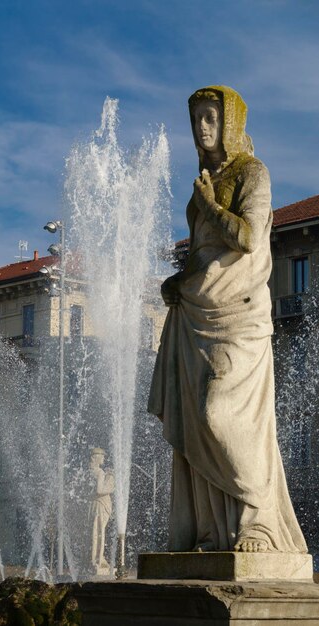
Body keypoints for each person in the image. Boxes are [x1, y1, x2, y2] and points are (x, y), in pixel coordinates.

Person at [148, 85, 307, 554]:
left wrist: (213, 205)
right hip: (196, 313)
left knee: (219, 413)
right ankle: (212, 532)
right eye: (197, 118)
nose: (202, 127)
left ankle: (257, 518)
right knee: (195, 424)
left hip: (238, 317)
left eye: (211, 118)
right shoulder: (200, 186)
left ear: (231, 123)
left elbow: (249, 237)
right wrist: (177, 283)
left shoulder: (252, 174)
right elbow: (201, 256)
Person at [88, 448, 115, 574]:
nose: (104, 459)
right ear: (97, 457)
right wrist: (110, 483)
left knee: (94, 532)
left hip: (93, 504)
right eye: (102, 457)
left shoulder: (90, 471)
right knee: (99, 532)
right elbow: (99, 490)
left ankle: (94, 558)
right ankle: (97, 560)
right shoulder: (99, 472)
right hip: (100, 504)